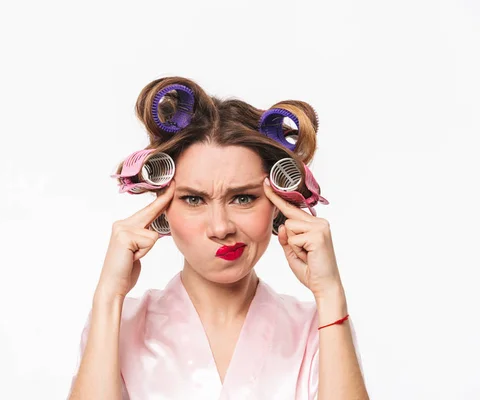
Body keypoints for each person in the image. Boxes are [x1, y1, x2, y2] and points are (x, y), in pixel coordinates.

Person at [67, 77, 369, 400]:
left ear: (279, 203)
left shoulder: (317, 328)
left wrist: (330, 293)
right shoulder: (117, 325)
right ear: (162, 208)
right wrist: (108, 297)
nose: (221, 227)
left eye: (243, 198)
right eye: (194, 200)